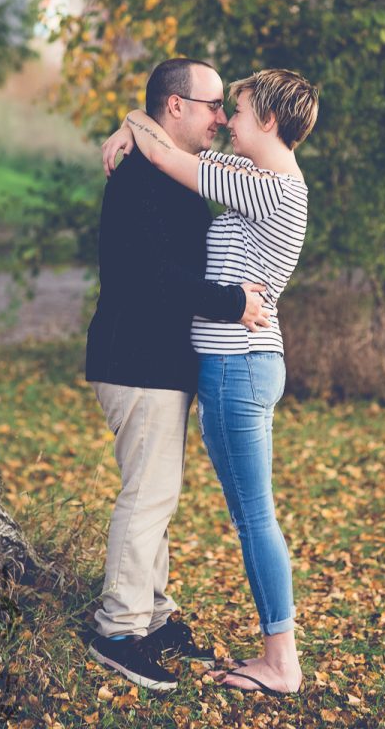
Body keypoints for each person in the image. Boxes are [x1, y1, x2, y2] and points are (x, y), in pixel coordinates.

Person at [103, 68, 319, 697]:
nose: (227, 120)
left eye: (238, 110)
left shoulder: (267, 187)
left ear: (269, 121)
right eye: (220, 108)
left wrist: (134, 124)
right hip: (240, 364)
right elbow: (170, 146)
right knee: (221, 507)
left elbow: (168, 156)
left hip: (238, 366)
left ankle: (281, 661)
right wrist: (135, 123)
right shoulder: (254, 176)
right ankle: (158, 617)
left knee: (254, 517)